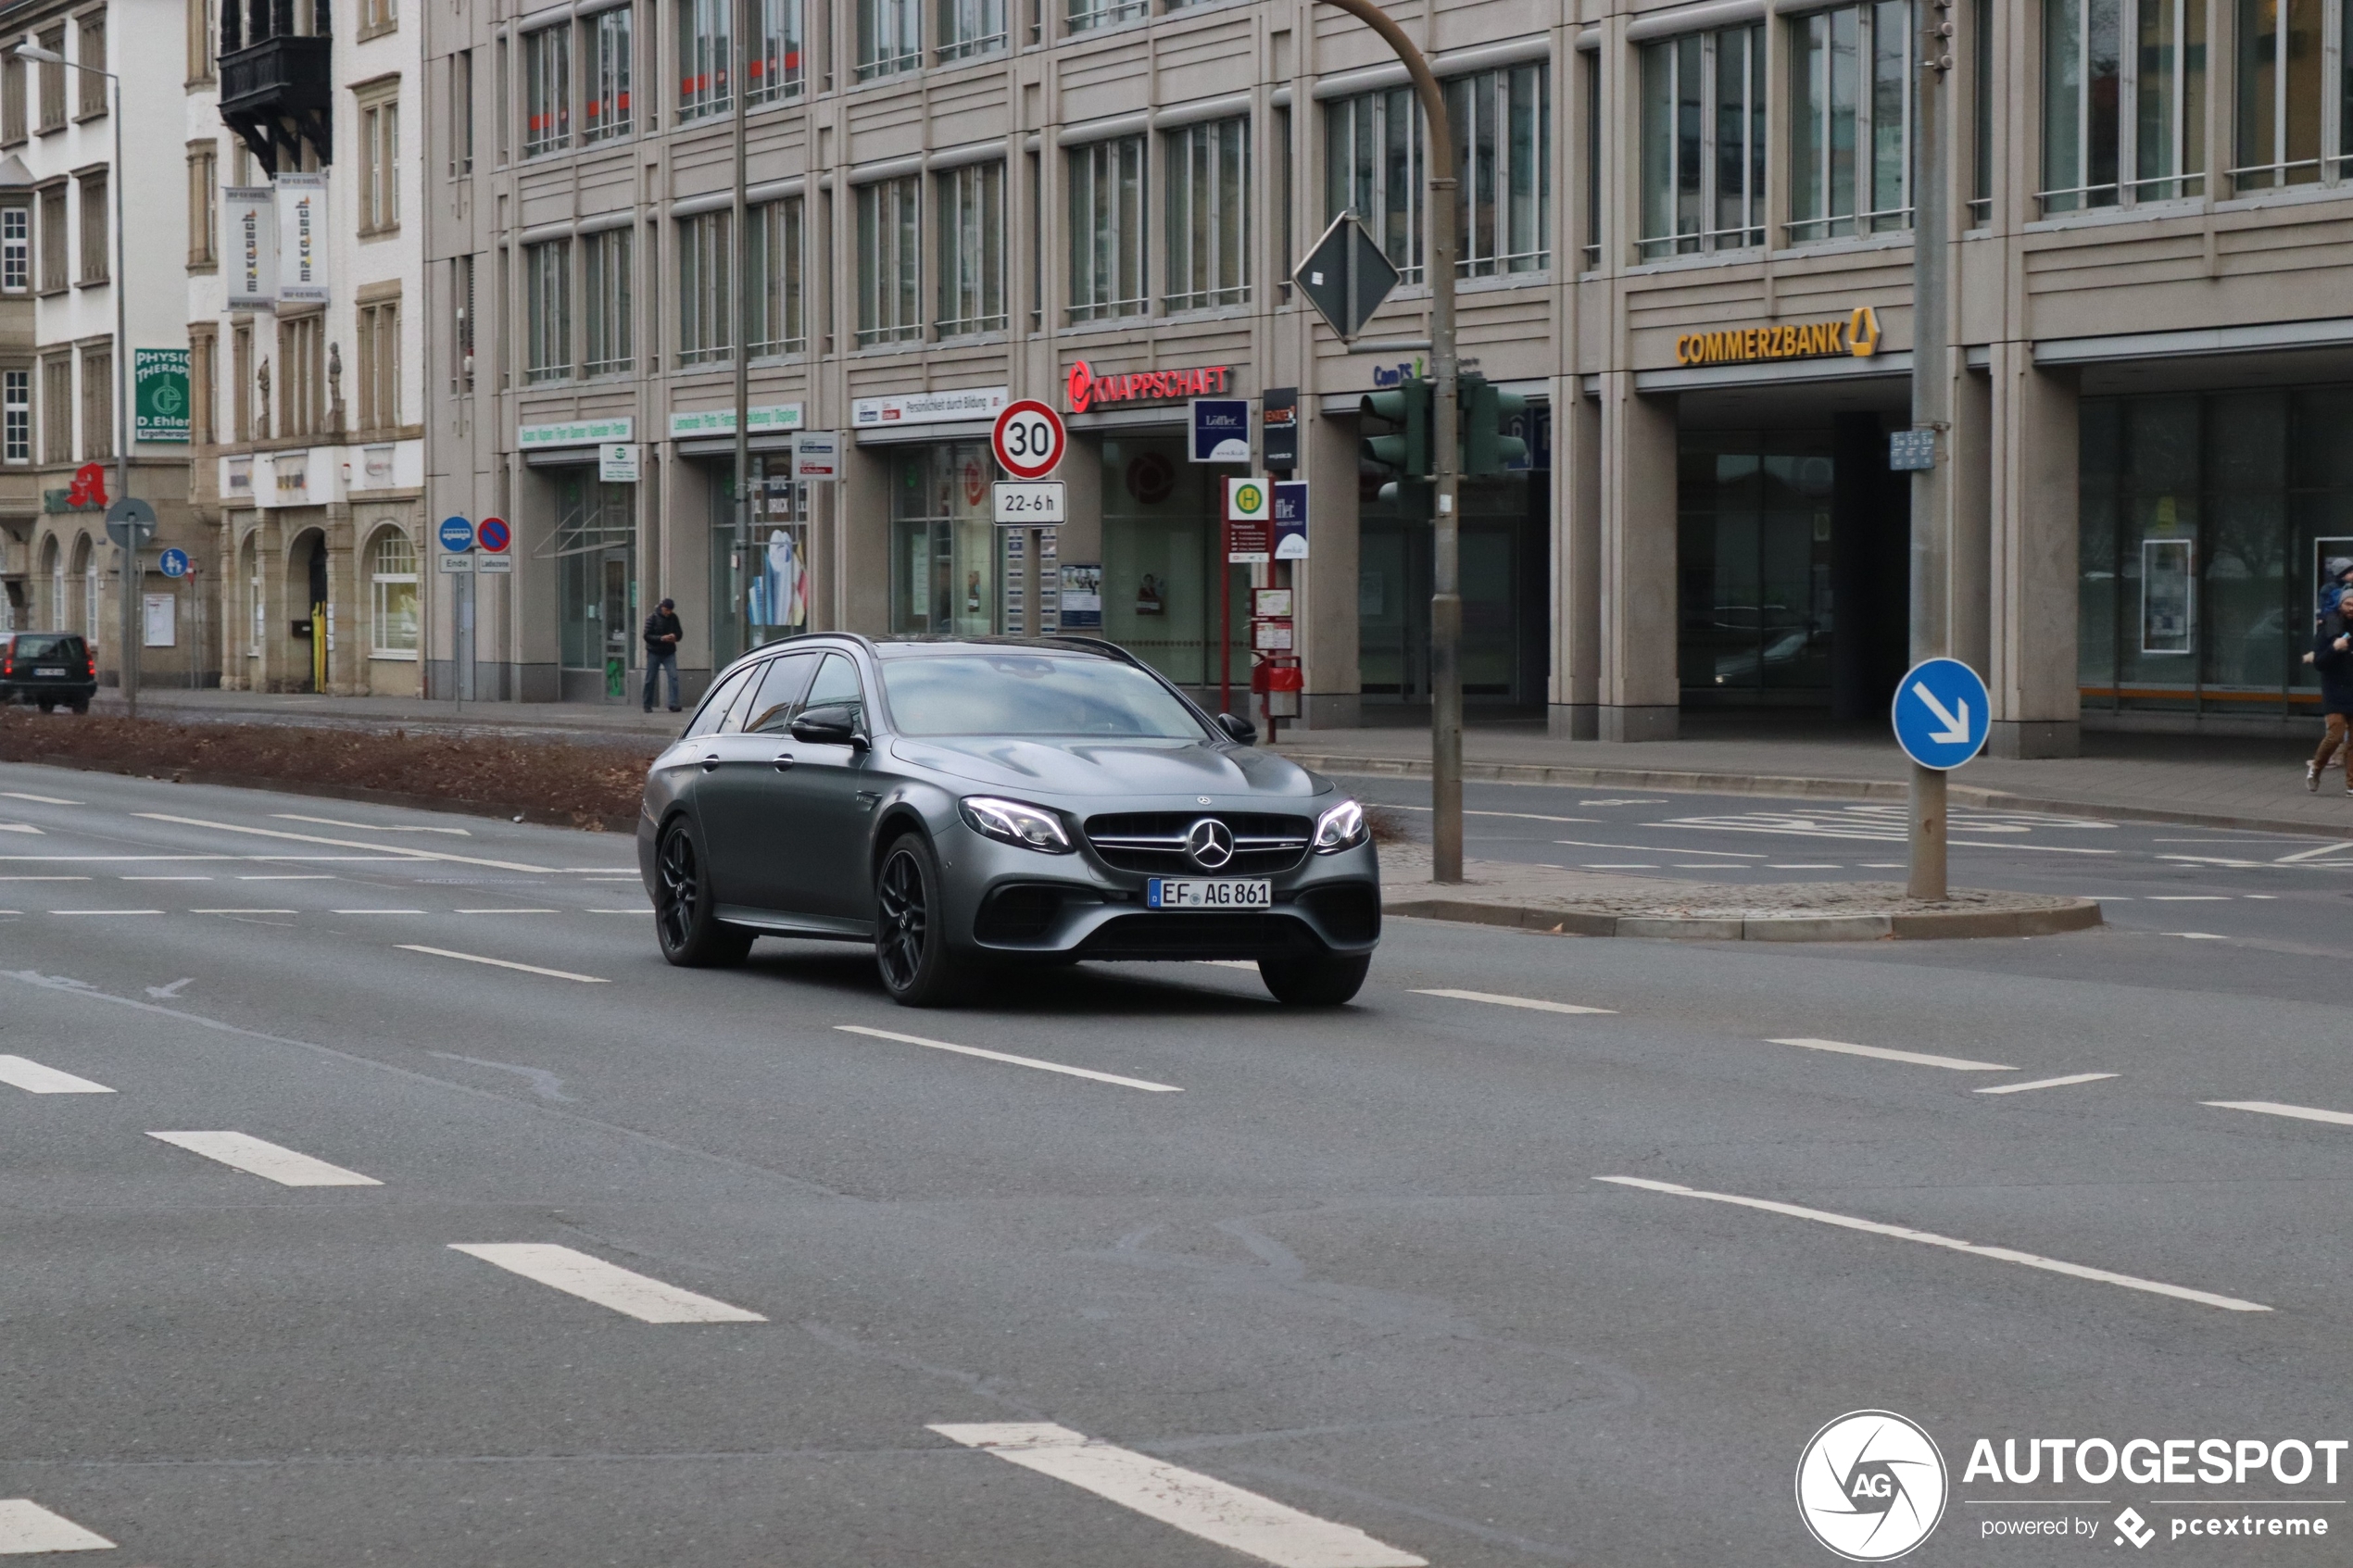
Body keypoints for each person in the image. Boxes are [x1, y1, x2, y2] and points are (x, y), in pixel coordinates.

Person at [2309, 598, 2353, 793]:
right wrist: (2335, 648)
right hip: (2335, 690)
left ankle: (2351, 784)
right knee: (2335, 736)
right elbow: (2318, 662)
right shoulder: (2329, 627)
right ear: (2340, 605)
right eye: (2348, 604)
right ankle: (2316, 768)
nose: (2352, 608)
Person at [642, 598, 683, 713]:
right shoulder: (652, 617)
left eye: (670, 610)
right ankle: (647, 704)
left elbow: (679, 633)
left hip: (669, 652)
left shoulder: (674, 618)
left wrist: (675, 637)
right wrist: (661, 638)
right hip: (654, 652)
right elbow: (647, 635)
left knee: (673, 677)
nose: (668, 612)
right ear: (661, 607)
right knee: (650, 678)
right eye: (666, 610)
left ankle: (673, 703)